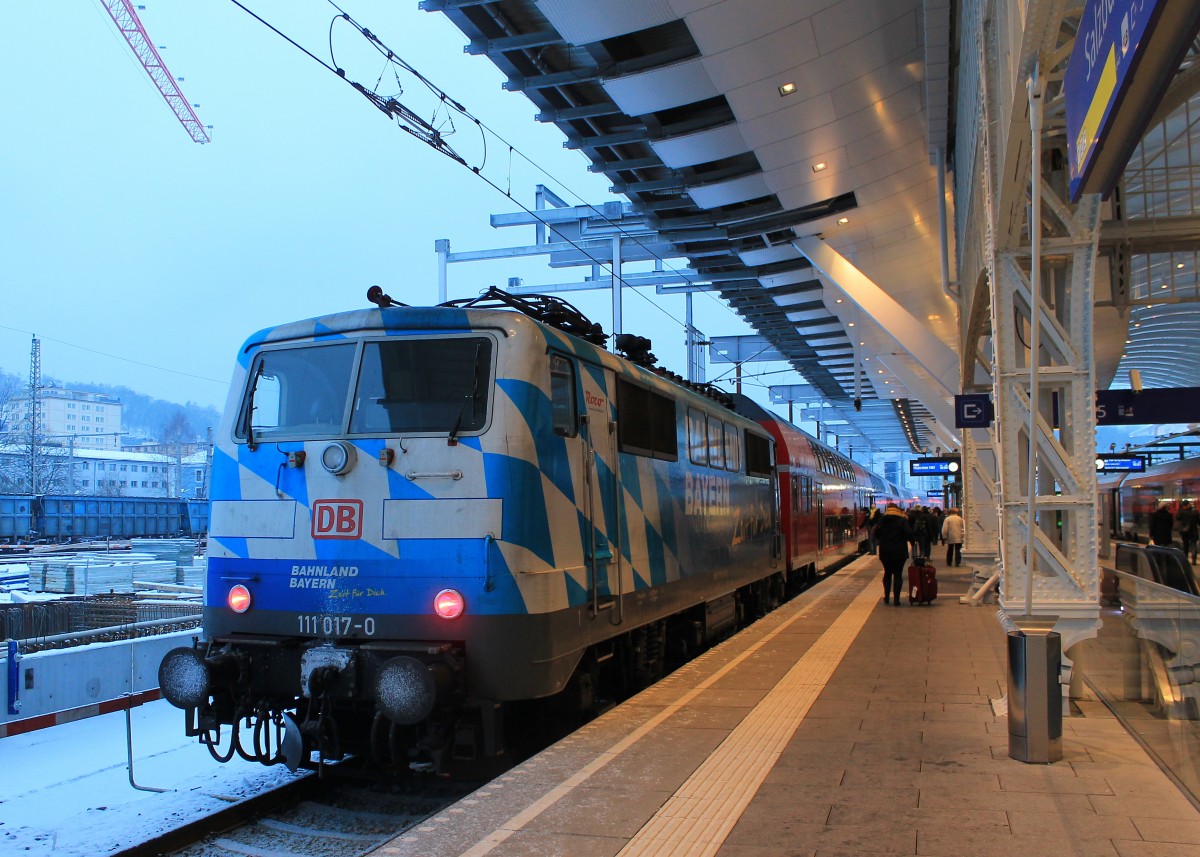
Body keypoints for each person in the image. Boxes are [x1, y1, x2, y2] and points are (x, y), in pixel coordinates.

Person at [874, 503, 913, 605]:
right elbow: (909, 533)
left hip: (885, 551)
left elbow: (875, 534)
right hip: (899, 551)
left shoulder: (882, 520)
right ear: (897, 510)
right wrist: (912, 542)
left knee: (887, 573)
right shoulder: (902, 520)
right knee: (898, 575)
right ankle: (896, 600)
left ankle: (886, 597)